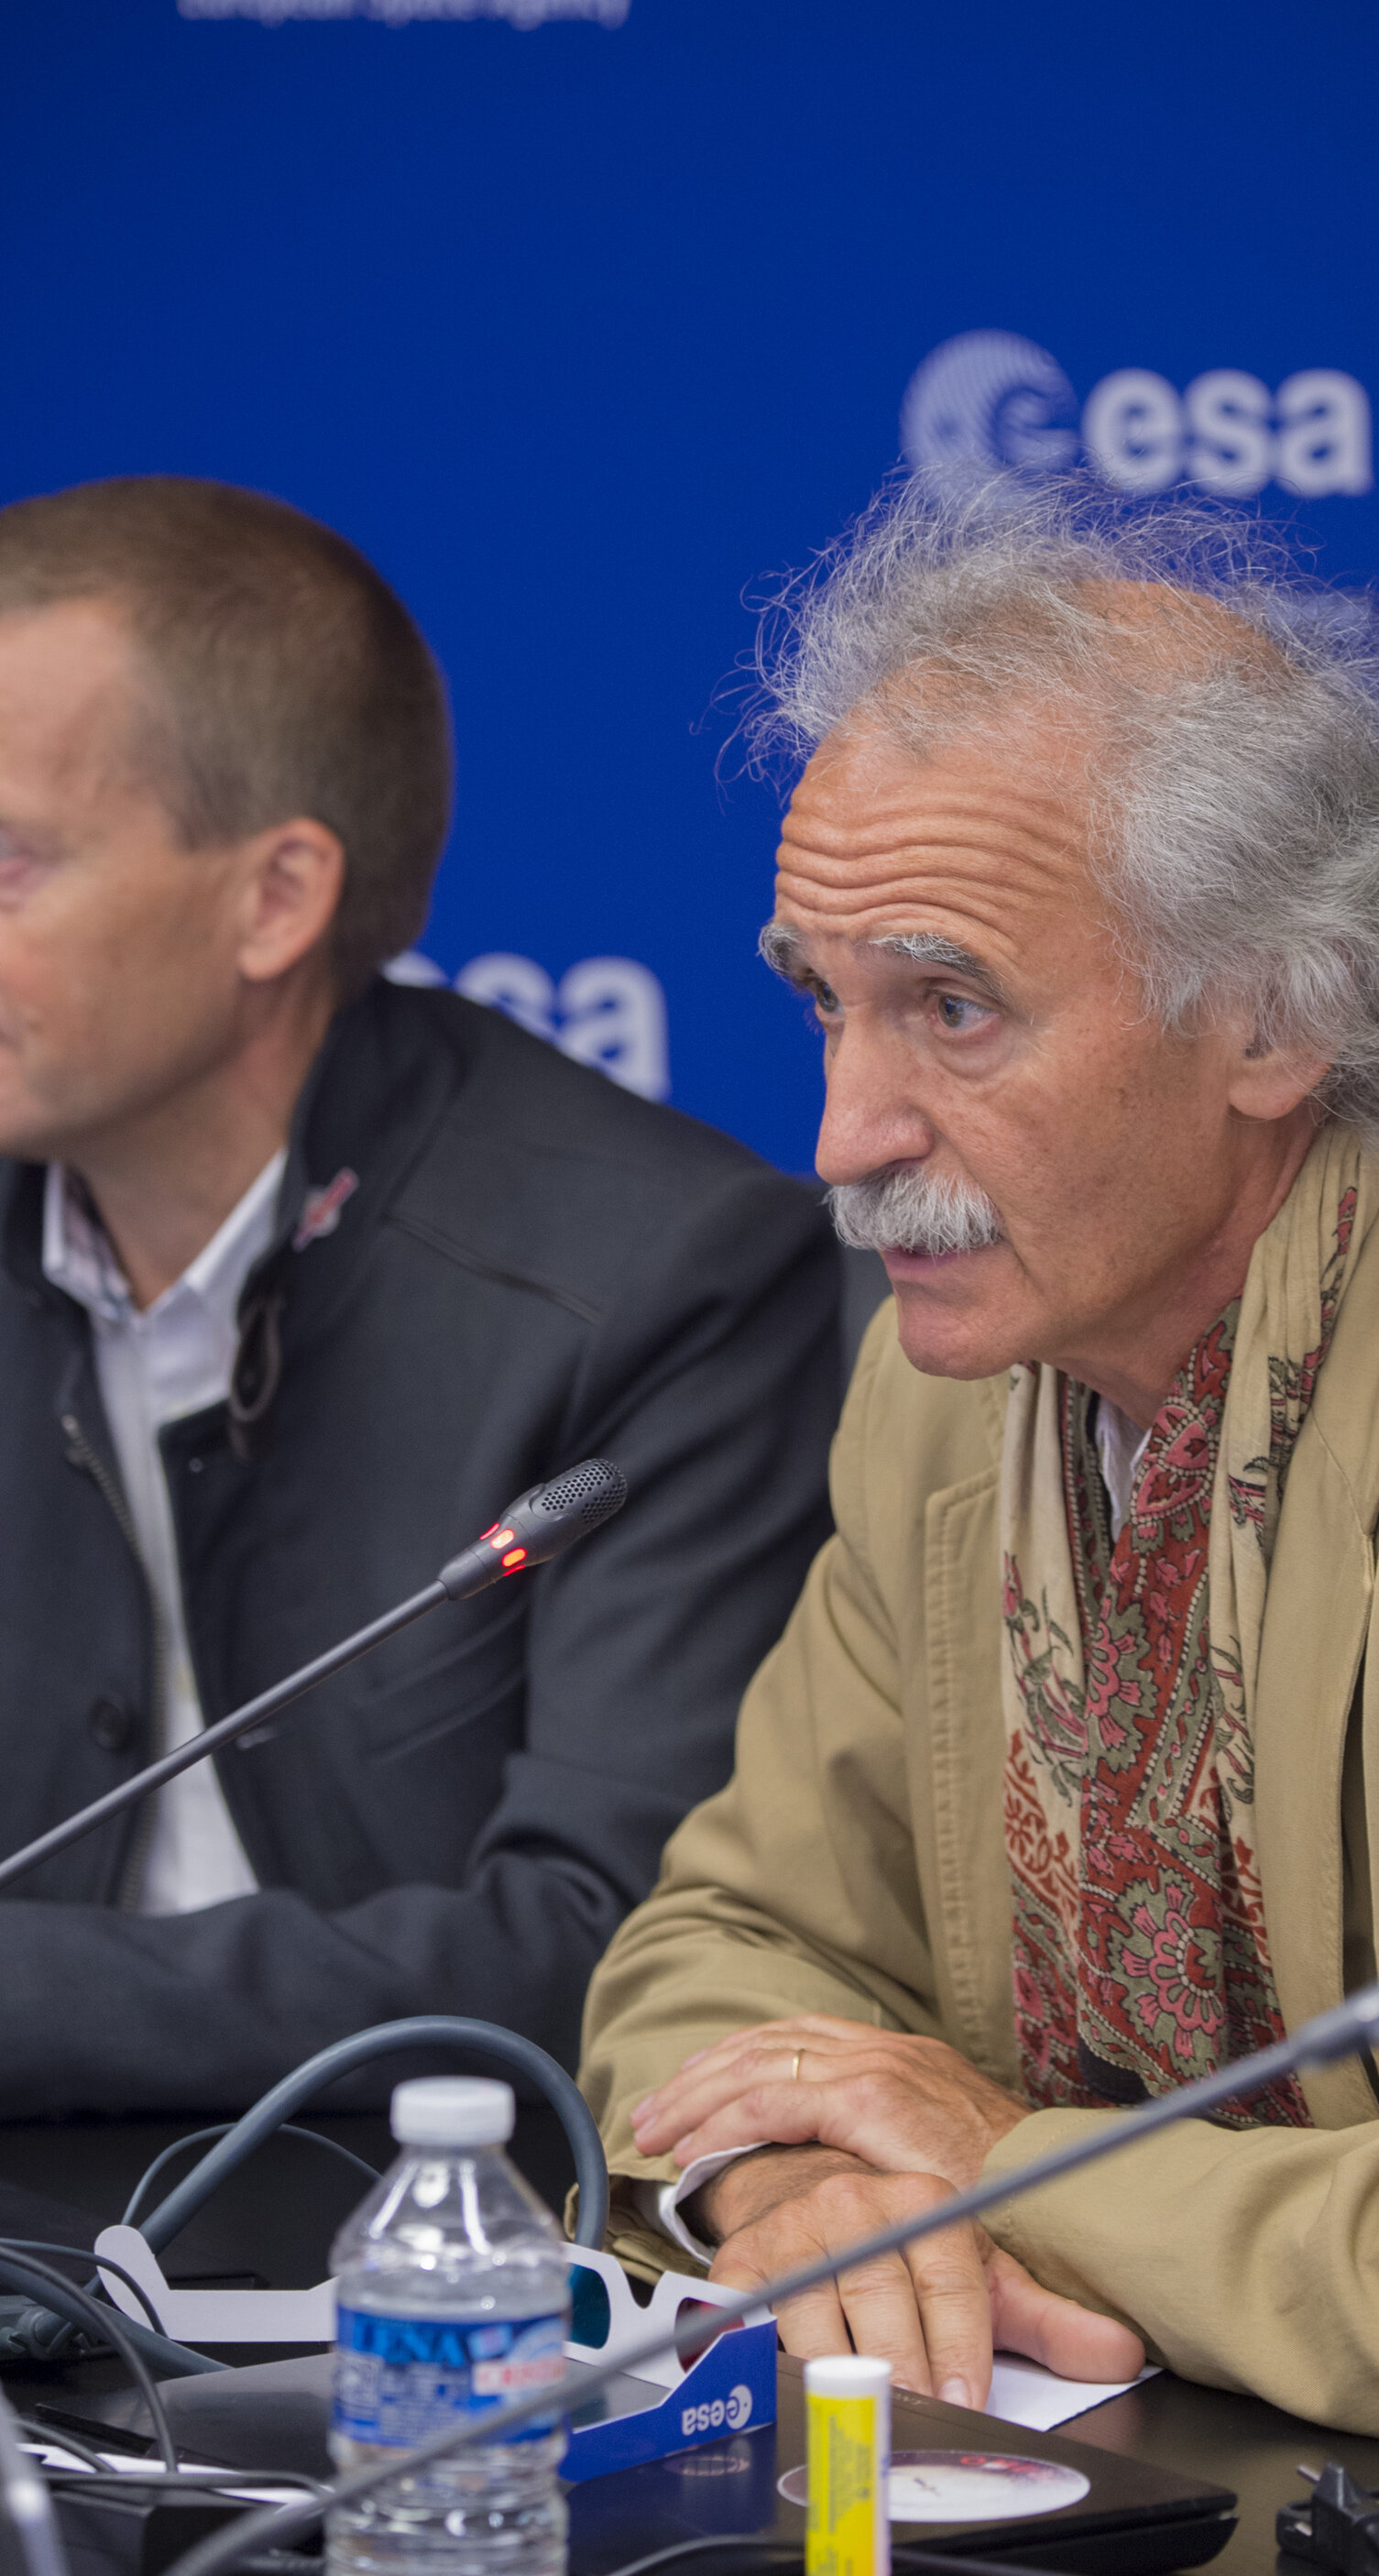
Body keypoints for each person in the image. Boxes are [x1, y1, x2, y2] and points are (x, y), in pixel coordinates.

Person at [581, 475, 1379, 2469]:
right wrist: (803, 2195)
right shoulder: (959, 1369)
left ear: (1279, 1018)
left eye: (952, 1005)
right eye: (826, 1001)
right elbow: (723, 1947)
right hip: (1159, 2486)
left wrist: (987, 2165)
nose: (846, 1135)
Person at [0, 475, 840, 2117]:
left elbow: (608, 1946)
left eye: (12, 861)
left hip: (442, 2268)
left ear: (275, 898)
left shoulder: (657, 1279)